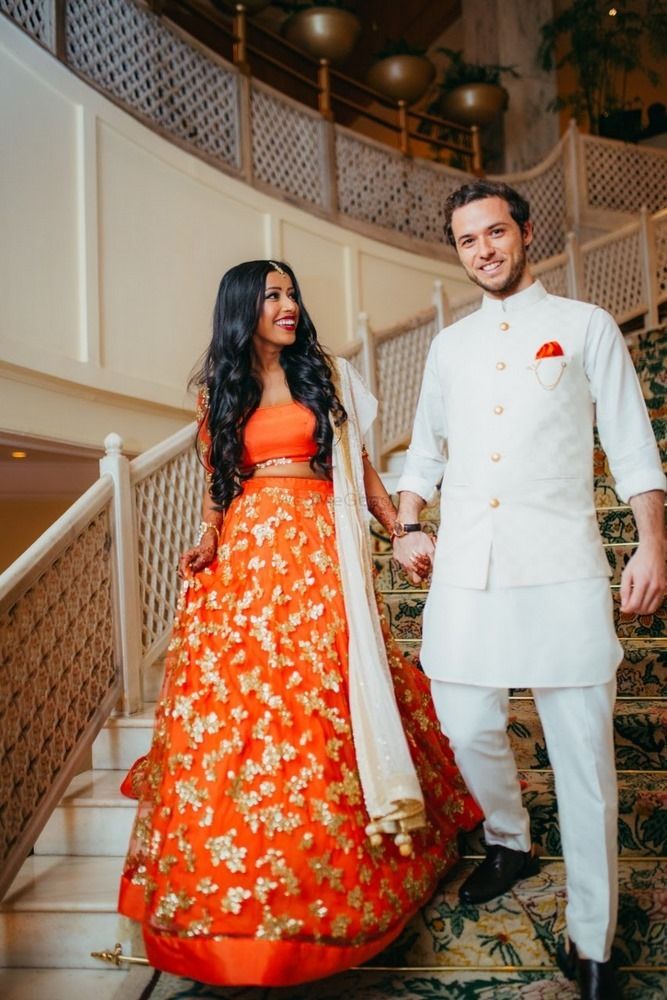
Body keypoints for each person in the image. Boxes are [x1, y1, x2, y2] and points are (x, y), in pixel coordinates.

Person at [117, 259, 481, 988]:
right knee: (244, 723)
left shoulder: (329, 376)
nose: (287, 305)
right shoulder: (217, 391)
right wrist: (207, 537)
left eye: (291, 294)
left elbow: (363, 471)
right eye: (271, 296)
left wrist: (397, 528)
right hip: (247, 569)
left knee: (320, 707)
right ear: (242, 310)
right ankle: (237, 905)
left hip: (321, 555)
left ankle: (339, 880)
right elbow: (221, 483)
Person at [392, 181, 666, 1000]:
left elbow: (630, 443)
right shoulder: (449, 348)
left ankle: (593, 941)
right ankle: (508, 839)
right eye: (467, 240)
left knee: (580, 756)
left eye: (495, 232)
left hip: (561, 572)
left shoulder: (583, 329)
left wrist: (651, 544)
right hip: (467, 573)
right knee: (464, 717)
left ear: (525, 233)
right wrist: (407, 522)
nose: (483, 249)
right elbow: (425, 450)